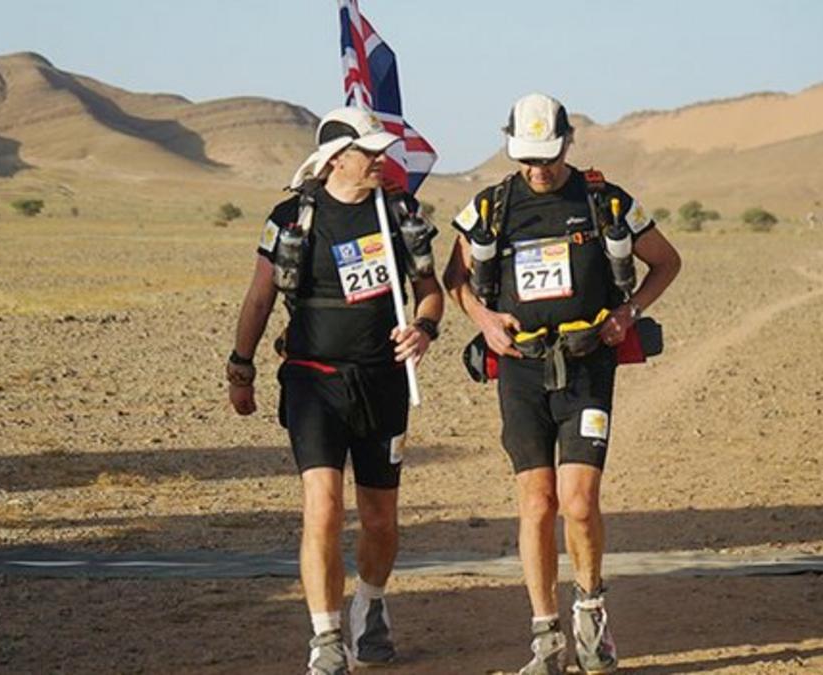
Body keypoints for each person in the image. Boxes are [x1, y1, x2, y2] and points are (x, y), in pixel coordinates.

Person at [442, 93, 681, 675]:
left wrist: (629, 313)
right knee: (536, 502)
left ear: (568, 143)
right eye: (527, 158)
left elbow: (667, 261)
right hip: (521, 371)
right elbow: (454, 279)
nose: (538, 169)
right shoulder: (490, 207)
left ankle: (591, 612)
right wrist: (484, 320)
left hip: (587, 366)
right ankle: (546, 637)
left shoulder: (605, 201)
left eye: (547, 156)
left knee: (578, 502)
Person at [227, 106, 444, 675]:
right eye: (367, 152)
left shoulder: (399, 213)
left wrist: (423, 328)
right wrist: (241, 368)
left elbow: (430, 291)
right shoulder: (291, 217)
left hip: (383, 383)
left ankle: (370, 606)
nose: (379, 160)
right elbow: (260, 297)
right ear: (334, 159)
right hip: (313, 381)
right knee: (323, 509)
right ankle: (325, 636)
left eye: (381, 151)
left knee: (380, 520)